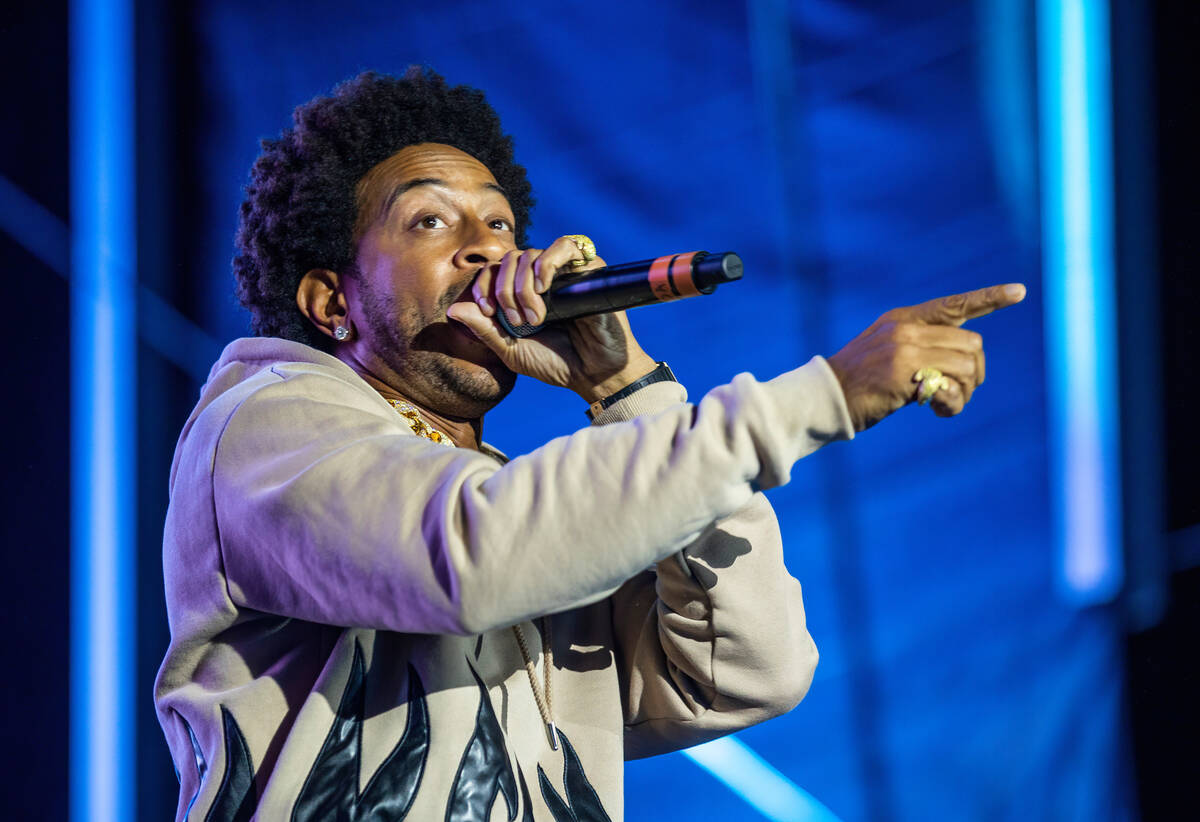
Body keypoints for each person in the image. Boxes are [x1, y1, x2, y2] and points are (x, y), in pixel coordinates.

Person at [154, 67, 1023, 821]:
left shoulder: (524, 516)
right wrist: (822, 397)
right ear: (331, 303)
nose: (484, 250)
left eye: (498, 225)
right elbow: (471, 555)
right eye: (430, 222)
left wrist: (630, 390)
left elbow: (749, 669)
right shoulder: (264, 425)